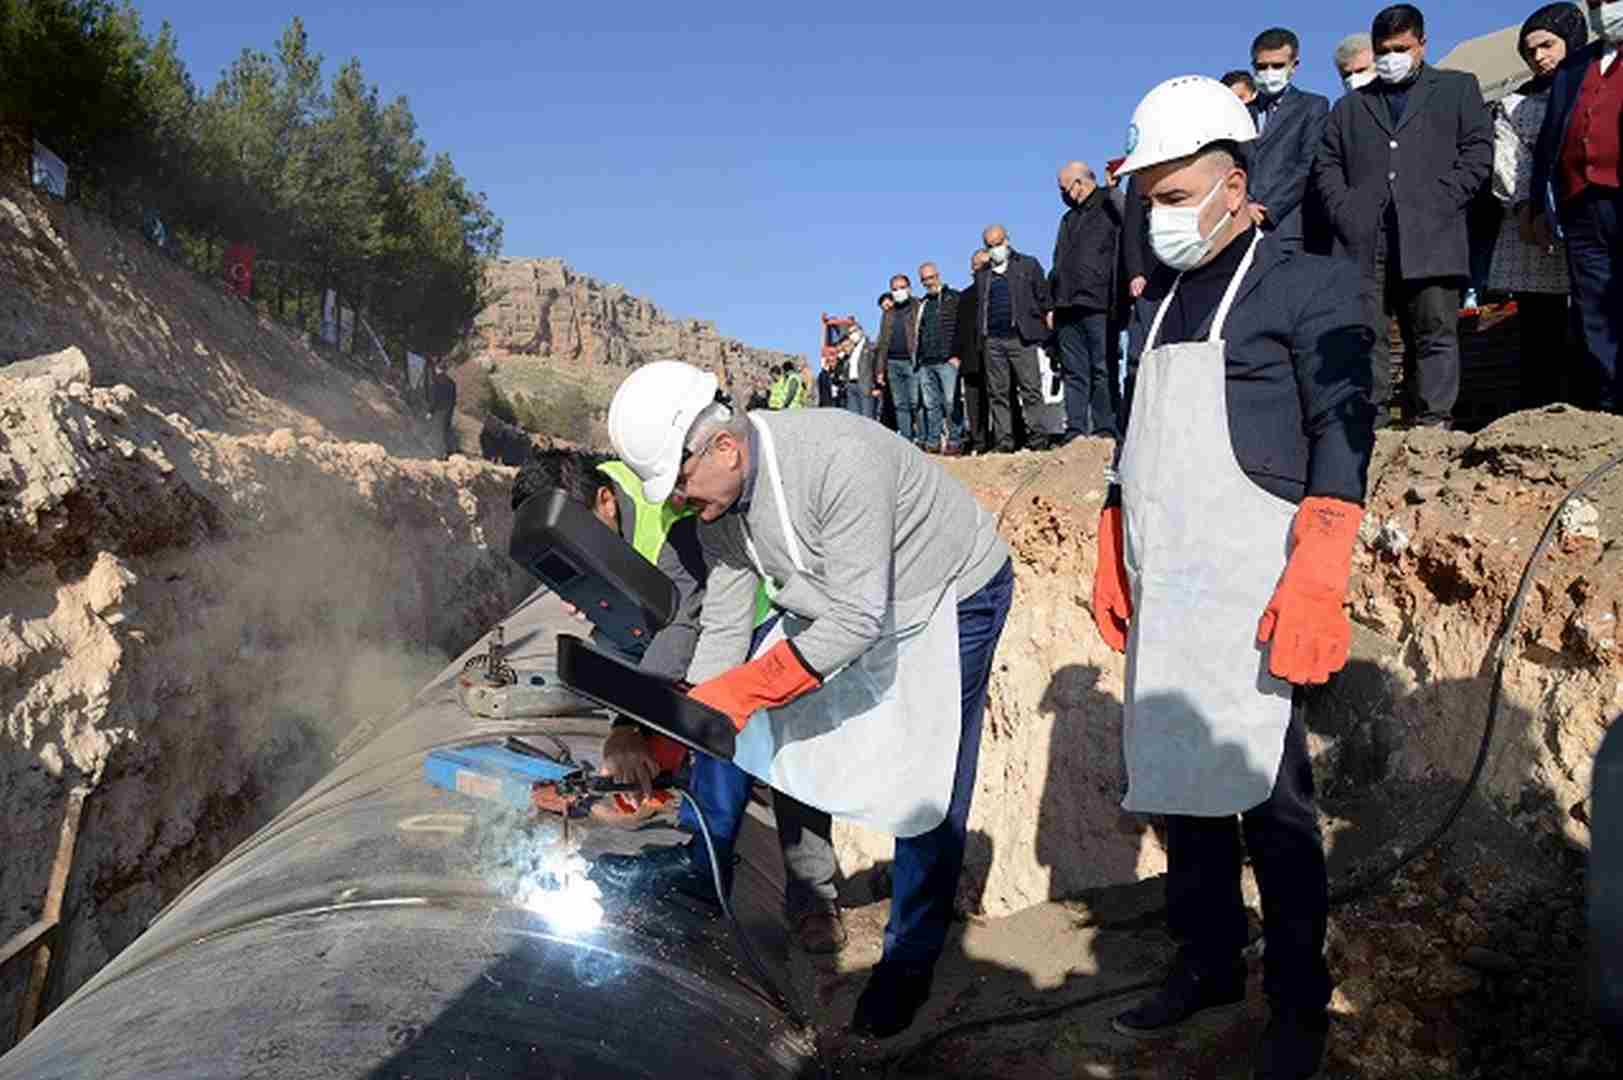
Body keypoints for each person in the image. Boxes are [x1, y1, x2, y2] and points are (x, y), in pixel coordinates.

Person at [1099, 75, 1375, 1080]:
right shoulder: (1161, 304)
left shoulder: (1307, 282)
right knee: (1183, 783)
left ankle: (1300, 999)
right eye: (1150, 199)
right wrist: (1109, 525)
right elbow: (1136, 432)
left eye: (1174, 196)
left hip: (1255, 573)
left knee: (1273, 794)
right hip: (1169, 572)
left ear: (1233, 183)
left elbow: (1345, 427)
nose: (1160, 217)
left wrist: (1321, 567)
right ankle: (1209, 961)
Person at [605, 360, 1013, 1038]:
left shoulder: (838, 459)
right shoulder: (720, 511)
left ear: (724, 448)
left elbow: (855, 622)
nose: (675, 501)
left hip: (947, 597)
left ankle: (909, 960)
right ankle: (701, 868)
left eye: (677, 482)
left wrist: (739, 693)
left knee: (926, 776)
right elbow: (726, 632)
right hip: (846, 602)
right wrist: (678, 721)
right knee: (750, 721)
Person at [513, 448, 848, 954]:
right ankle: (701, 863)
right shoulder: (598, 527)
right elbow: (627, 632)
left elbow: (683, 624)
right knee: (700, 735)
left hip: (756, 619)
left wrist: (630, 720)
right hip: (695, 629)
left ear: (605, 500)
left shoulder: (667, 507)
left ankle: (813, 898)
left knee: (775, 748)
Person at [1313, 3, 1494, 428]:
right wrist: (1345, 210)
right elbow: (1327, 165)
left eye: (1400, 48)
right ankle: (1373, 423)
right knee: (1367, 334)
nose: (1390, 58)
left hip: (1432, 232)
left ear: (1422, 44)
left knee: (1433, 331)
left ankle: (1432, 422)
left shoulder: (1457, 88)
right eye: (1382, 50)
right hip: (1366, 238)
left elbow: (1478, 151)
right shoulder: (1351, 107)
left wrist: (1444, 198)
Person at [1491, 3, 1589, 409]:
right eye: (1530, 51)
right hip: (1532, 224)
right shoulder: (1514, 103)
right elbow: (1508, 160)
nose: (1539, 57)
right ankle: (1540, 413)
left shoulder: (1596, 85)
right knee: (1539, 326)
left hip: (1588, 215)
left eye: (1547, 45)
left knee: (1591, 319)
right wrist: (1527, 208)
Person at [1532, 0, 1623, 414]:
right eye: (1594, 3)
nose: (1603, 9)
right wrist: (1539, 205)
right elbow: (1550, 138)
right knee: (1594, 308)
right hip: (1581, 203)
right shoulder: (1574, 66)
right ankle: (1612, 402)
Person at [1050, 161, 1122, 440]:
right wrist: (1052, 303)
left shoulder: (1108, 204)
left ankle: (1105, 428)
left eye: (1064, 188)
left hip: (1098, 302)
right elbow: (1057, 260)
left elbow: (1129, 219)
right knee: (1074, 372)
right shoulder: (1067, 219)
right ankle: (1076, 429)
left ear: (1079, 183)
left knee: (1102, 368)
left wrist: (1115, 190)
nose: (1063, 194)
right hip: (1066, 305)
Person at [1246, 27, 1331, 255]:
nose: (1269, 72)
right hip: (1240, 228)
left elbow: (1307, 166)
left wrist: (1268, 210)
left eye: (1277, 66)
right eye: (1262, 66)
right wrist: (1244, 206)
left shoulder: (1313, 106)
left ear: (1294, 66)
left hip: (1284, 229)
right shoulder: (1240, 112)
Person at [975, 224, 1052, 452]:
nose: (995, 249)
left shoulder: (1028, 265)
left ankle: (1039, 439)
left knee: (1030, 389)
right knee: (998, 393)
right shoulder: (983, 275)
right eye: (990, 246)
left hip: (1021, 338)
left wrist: (1046, 325)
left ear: (1007, 241)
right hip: (992, 341)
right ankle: (1004, 442)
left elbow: (1044, 297)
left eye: (998, 243)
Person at [915, 262, 962, 453]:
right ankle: (933, 442)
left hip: (947, 360)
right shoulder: (922, 304)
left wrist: (957, 354)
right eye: (924, 280)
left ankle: (955, 440)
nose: (929, 282)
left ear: (938, 275)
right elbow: (918, 332)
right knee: (930, 405)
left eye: (931, 277)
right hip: (926, 362)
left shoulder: (954, 298)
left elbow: (961, 327)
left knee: (951, 402)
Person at [951, 249, 992, 452]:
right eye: (977, 265)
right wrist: (956, 354)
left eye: (984, 264)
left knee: (998, 399)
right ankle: (979, 442)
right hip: (971, 359)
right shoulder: (965, 296)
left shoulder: (997, 291)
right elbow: (958, 328)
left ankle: (1003, 439)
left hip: (994, 355)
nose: (980, 269)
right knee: (974, 404)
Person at [874, 275, 923, 443]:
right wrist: (880, 370)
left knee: (916, 402)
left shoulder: (919, 306)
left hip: (912, 361)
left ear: (909, 288)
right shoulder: (888, 313)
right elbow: (882, 342)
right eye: (894, 289)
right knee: (900, 404)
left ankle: (923, 438)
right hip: (892, 363)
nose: (898, 292)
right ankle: (907, 440)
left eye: (901, 288)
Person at [838, 323, 882, 419]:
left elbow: (875, 365)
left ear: (860, 331)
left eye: (853, 332)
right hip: (851, 385)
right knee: (853, 418)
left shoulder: (870, 347)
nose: (851, 335)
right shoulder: (852, 349)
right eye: (850, 333)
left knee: (867, 418)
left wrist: (876, 386)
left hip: (865, 385)